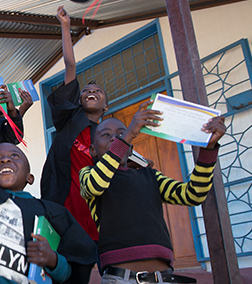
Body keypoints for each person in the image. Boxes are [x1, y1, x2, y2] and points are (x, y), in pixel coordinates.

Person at [0, 69, 97, 284]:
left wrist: (53, 261)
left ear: (30, 177)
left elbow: (72, 269)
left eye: (14, 156)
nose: (4, 160)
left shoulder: (50, 213)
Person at [80, 101, 225, 284]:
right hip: (121, 279)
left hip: (165, 278)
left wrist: (208, 149)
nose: (114, 138)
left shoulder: (150, 176)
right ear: (93, 150)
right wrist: (129, 133)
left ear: (130, 148)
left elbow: (194, 194)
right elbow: (94, 185)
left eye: (121, 134)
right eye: (106, 135)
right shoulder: (88, 173)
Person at [40, 6, 106, 244]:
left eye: (98, 91)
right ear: (78, 100)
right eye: (86, 90)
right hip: (65, 208)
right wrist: (66, 27)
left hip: (97, 211)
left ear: (105, 106)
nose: (91, 92)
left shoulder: (107, 134)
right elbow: (70, 66)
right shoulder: (71, 119)